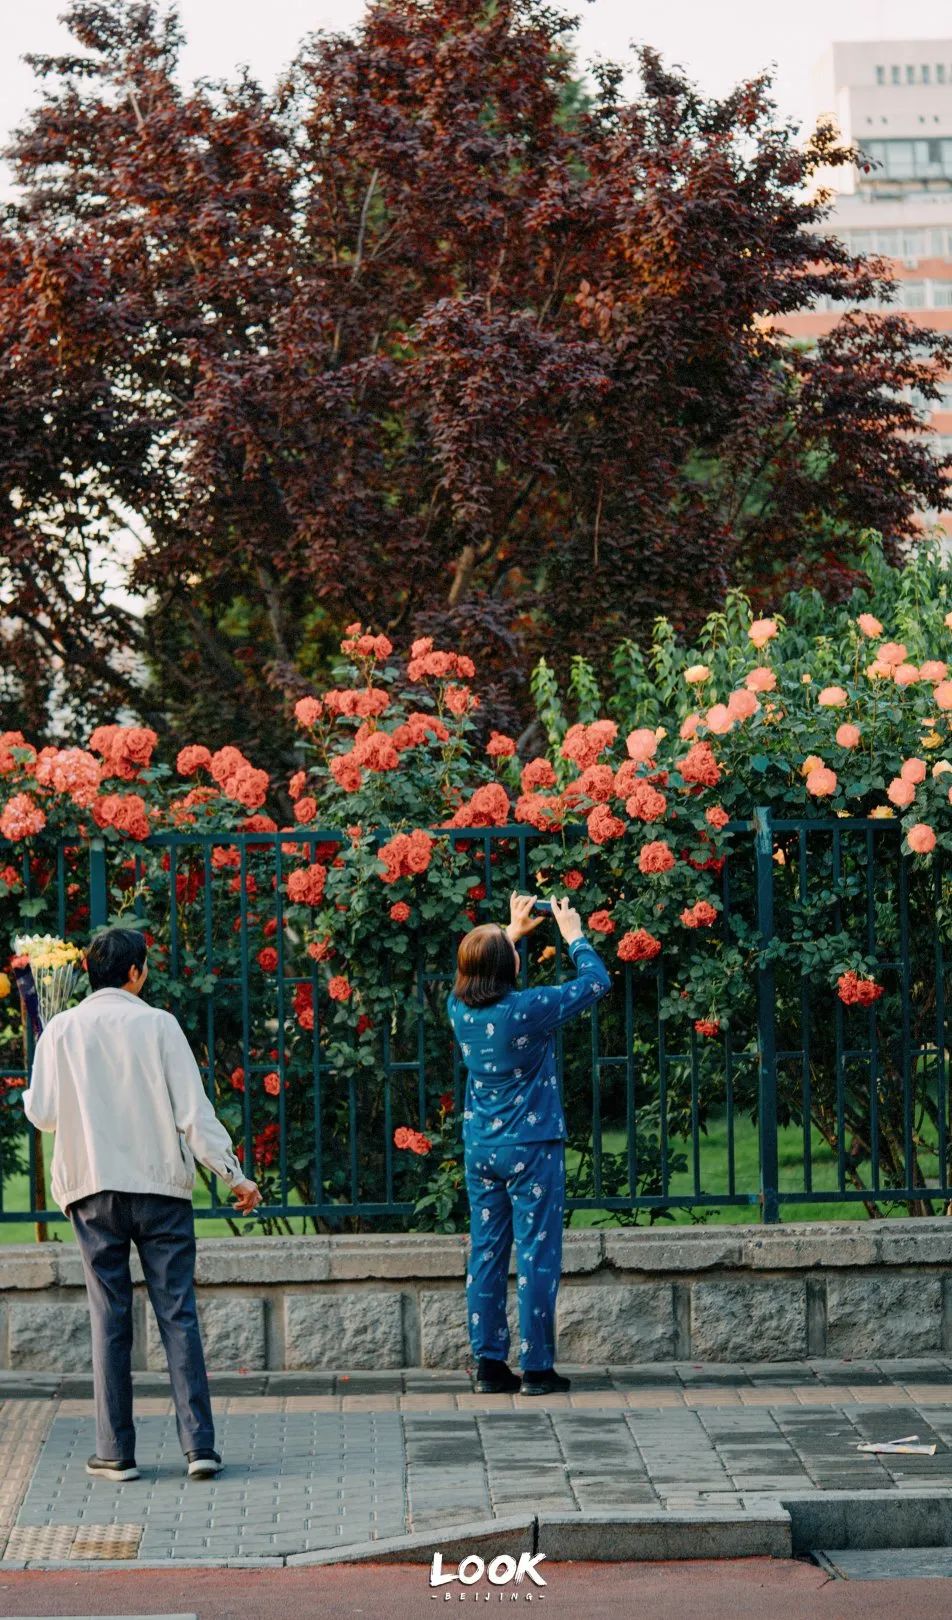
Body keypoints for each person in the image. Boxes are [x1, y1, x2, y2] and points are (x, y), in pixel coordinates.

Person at [23, 926, 261, 1482]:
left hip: (92, 1189)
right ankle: (199, 1445)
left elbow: (44, 1113)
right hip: (160, 1189)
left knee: (109, 1318)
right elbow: (193, 1115)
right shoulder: (159, 1025)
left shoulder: (61, 1029)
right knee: (178, 1313)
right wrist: (234, 1175)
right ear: (136, 972)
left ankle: (115, 1451)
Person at [447, 893, 610, 1396]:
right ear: (508, 966)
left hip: (482, 1149)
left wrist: (509, 933)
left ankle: (489, 1366)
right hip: (532, 1145)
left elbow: (484, 971)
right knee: (537, 1253)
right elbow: (596, 983)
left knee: (487, 1254)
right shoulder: (526, 1008)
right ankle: (537, 1368)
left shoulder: (458, 1008)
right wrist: (573, 934)